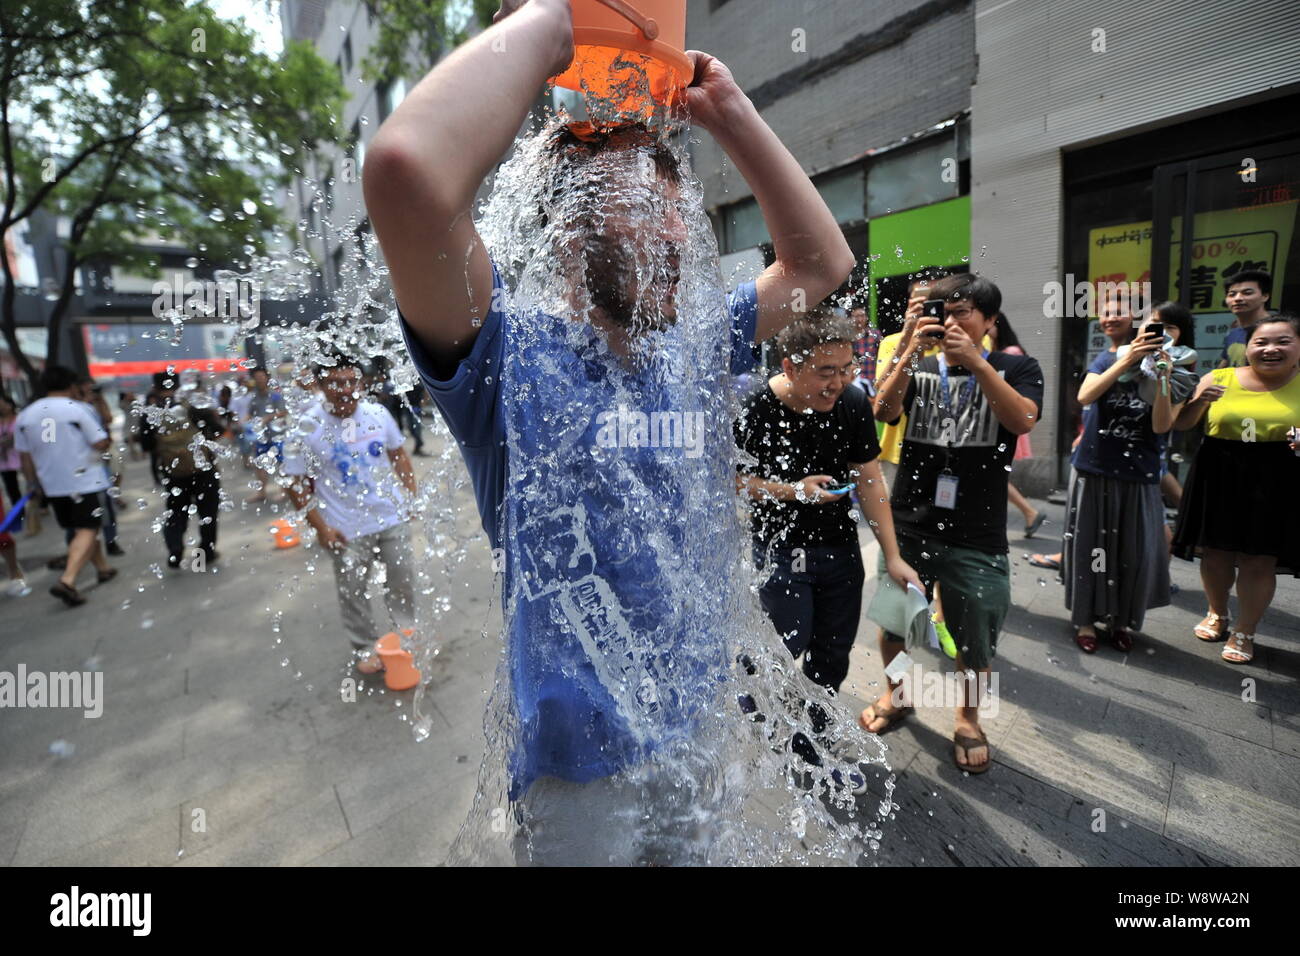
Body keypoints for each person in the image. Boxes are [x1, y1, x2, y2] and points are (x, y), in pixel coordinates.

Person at [365, 0, 855, 864]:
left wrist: (729, 111)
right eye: (646, 208)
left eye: (682, 209)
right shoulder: (503, 360)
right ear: (568, 222)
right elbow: (407, 172)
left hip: (700, 721)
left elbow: (820, 266)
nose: (677, 235)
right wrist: (559, 25)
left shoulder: (695, 346)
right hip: (579, 772)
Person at [862, 272, 1042, 774]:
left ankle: (968, 719)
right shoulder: (916, 364)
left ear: (988, 321)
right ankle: (899, 693)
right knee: (895, 625)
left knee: (974, 639)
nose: (950, 320)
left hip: (978, 534)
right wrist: (907, 358)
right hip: (911, 525)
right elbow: (882, 410)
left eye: (963, 311)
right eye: (940, 310)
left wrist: (977, 364)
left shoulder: (1018, 366)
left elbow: (1022, 419)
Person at [735, 313, 921, 765]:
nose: (837, 382)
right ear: (790, 366)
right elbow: (732, 480)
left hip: (841, 551)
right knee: (782, 648)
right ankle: (755, 716)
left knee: (833, 655)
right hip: (782, 552)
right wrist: (791, 490)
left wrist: (893, 556)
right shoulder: (757, 406)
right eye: (825, 371)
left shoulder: (854, 403)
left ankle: (812, 738)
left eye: (846, 368)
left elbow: (870, 477)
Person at [1062, 300, 1190, 654]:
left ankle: (1122, 622)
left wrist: (1163, 376)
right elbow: (1086, 395)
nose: (1158, 334)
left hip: (1140, 473)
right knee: (1090, 548)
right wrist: (1127, 360)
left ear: (1180, 337)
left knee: (1134, 553)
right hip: (1095, 466)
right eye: (1152, 326)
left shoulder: (1180, 369)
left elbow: (1162, 425)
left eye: (1169, 329)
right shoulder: (1111, 358)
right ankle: (1085, 619)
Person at [1173, 315, 1300, 664]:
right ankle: (1217, 612)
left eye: (1283, 341)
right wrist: (1200, 401)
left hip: (1278, 477)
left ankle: (1245, 629)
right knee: (1215, 553)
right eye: (1261, 342)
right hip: (1219, 471)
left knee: (1259, 560)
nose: (1271, 349)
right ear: (1248, 347)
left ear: (1298, 346)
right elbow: (1181, 423)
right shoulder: (1219, 377)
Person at [283, 357, 421, 670]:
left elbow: (398, 455)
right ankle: (365, 648)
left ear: (360, 383)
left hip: (391, 516)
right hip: (344, 527)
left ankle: (407, 638)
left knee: (402, 583)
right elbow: (294, 483)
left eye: (350, 381)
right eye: (335, 383)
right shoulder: (306, 427)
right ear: (320, 386)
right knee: (353, 592)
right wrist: (321, 528)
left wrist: (410, 497)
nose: (344, 389)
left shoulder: (378, 414)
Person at [13, 365, 117, 605]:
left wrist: (32, 484)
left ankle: (103, 568)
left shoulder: (26, 415)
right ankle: (68, 581)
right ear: (71, 386)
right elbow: (101, 443)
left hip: (52, 484)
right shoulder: (79, 409)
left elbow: (25, 457)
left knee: (82, 529)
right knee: (89, 528)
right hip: (85, 481)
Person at [153, 372, 226, 569]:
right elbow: (218, 429)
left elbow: (147, 445)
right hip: (203, 470)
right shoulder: (192, 406)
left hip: (174, 473)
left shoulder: (152, 411)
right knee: (207, 513)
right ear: (178, 385)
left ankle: (175, 549)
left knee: (176, 512)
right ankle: (205, 555)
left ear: (155, 387)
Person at [990, 312, 1044, 537]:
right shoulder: (993, 354)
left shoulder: (1010, 354)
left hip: (1005, 420)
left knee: (994, 473)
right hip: (997, 419)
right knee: (995, 473)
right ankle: (1029, 512)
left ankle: (1029, 511)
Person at [243, 367, 286, 504]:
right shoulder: (255, 397)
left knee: (281, 464)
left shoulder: (275, 395)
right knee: (260, 464)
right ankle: (261, 492)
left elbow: (284, 412)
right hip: (261, 437)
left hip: (277, 436)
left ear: (267, 378)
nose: (259, 380)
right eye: (257, 378)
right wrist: (244, 421)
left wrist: (268, 418)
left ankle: (283, 491)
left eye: (262, 377)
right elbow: (250, 413)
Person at [1217, 269, 1272, 368]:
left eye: (1247, 293)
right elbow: (1225, 364)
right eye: (1232, 294)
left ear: (1265, 296)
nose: (1237, 298)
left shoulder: (1279, 330)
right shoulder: (1233, 332)